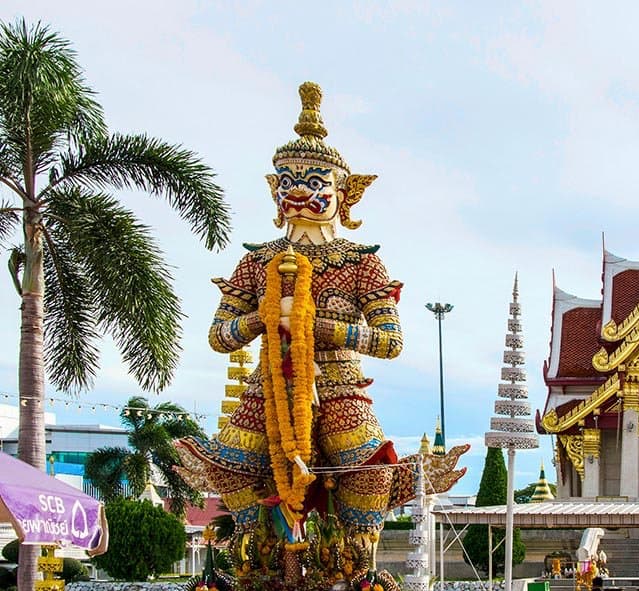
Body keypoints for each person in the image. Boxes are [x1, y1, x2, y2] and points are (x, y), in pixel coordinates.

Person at [175, 82, 467, 575]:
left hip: (337, 383)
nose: (299, 192)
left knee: (369, 469)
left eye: (315, 181)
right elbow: (219, 335)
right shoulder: (258, 261)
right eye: (288, 180)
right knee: (230, 460)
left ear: (344, 193)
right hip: (270, 383)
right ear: (274, 188)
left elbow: (391, 342)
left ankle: (357, 564)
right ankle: (258, 558)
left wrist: (321, 329)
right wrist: (265, 319)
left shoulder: (359, 263)